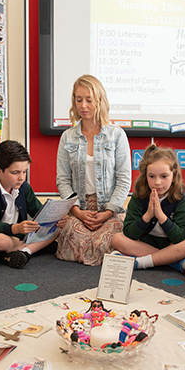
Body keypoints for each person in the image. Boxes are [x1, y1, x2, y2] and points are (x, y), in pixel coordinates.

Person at [55, 74, 132, 266]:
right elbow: (63, 180)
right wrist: (77, 212)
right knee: (71, 234)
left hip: (109, 209)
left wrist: (107, 212)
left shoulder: (117, 135)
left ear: (100, 101)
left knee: (109, 239)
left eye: (89, 100)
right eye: (78, 100)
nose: (83, 106)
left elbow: (124, 179)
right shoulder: (67, 137)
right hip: (79, 208)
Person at [0, 140, 58, 268]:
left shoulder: (23, 187)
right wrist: (16, 229)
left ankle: (23, 251)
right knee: (0, 241)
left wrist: (56, 219)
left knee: (57, 229)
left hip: (17, 236)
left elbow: (39, 212)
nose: (21, 177)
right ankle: (30, 248)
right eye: (15, 173)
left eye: (24, 171)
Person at [110, 144, 185, 273]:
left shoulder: (182, 200)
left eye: (164, 176)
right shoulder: (138, 197)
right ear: (145, 176)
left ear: (173, 176)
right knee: (117, 239)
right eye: (151, 176)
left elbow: (180, 238)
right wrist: (148, 215)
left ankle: (141, 262)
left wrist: (161, 216)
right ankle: (174, 261)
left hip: (172, 244)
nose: (157, 182)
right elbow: (129, 233)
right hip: (146, 244)